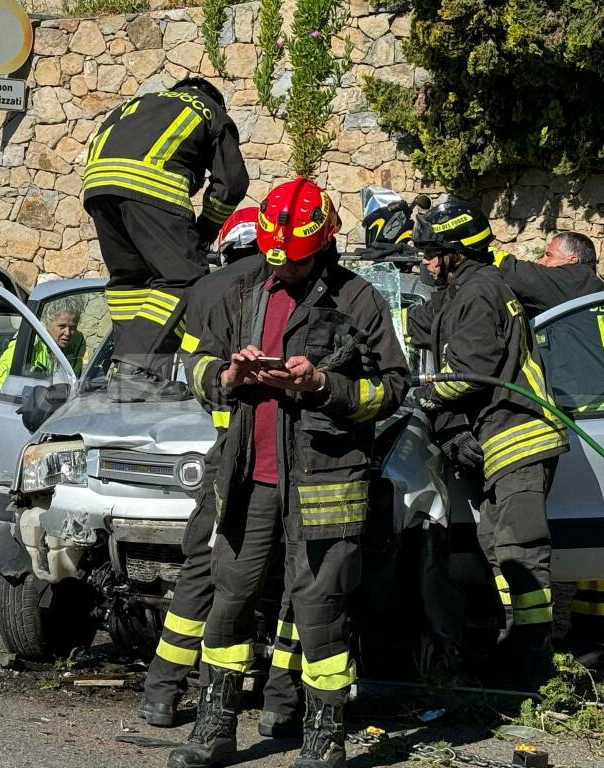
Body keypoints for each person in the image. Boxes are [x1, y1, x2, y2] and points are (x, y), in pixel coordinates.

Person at [169, 178, 410, 768]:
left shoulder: (358, 300)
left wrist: (324, 385)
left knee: (320, 606)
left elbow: (394, 388)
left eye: (297, 261)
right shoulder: (244, 290)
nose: (286, 270)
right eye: (277, 258)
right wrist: (224, 377)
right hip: (248, 475)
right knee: (230, 598)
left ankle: (325, 739)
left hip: (325, 480)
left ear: (324, 243)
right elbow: (191, 363)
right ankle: (214, 728)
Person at [409, 197, 569, 689]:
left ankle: (533, 656)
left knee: (521, 546)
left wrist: (419, 393)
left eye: (433, 251)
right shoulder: (461, 290)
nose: (425, 260)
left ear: (458, 251)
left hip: (520, 433)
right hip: (500, 437)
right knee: (495, 544)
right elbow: (421, 322)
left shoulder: (480, 292)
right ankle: (512, 635)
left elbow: (469, 373)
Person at [139, 208, 270, 729]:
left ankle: (163, 691)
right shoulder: (288, 286)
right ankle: (277, 703)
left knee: (201, 570)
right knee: (281, 580)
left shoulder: (204, 291)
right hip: (272, 454)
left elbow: (193, 374)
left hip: (223, 453)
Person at [82, 77, 249, 403]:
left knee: (131, 283)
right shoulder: (209, 109)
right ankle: (133, 370)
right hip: (152, 187)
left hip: (97, 188)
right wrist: (206, 228)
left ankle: (135, 376)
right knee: (185, 278)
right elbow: (231, 182)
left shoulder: (135, 104)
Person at [494, 233, 604, 643]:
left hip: (585, 421)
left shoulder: (576, 283)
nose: (543, 262)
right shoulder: (586, 302)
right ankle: (589, 643)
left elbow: (514, 272)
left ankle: (547, 643)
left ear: (574, 262)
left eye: (549, 255)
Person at [493, 232, 602, 315]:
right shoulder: (593, 286)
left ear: (572, 260)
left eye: (549, 255)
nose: (541, 261)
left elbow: (511, 270)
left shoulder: (573, 280)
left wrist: (481, 249)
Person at [0, 297, 85, 390]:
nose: (68, 333)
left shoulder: (78, 341)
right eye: (62, 326)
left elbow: (74, 379)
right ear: (48, 322)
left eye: (73, 327)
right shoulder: (29, 340)